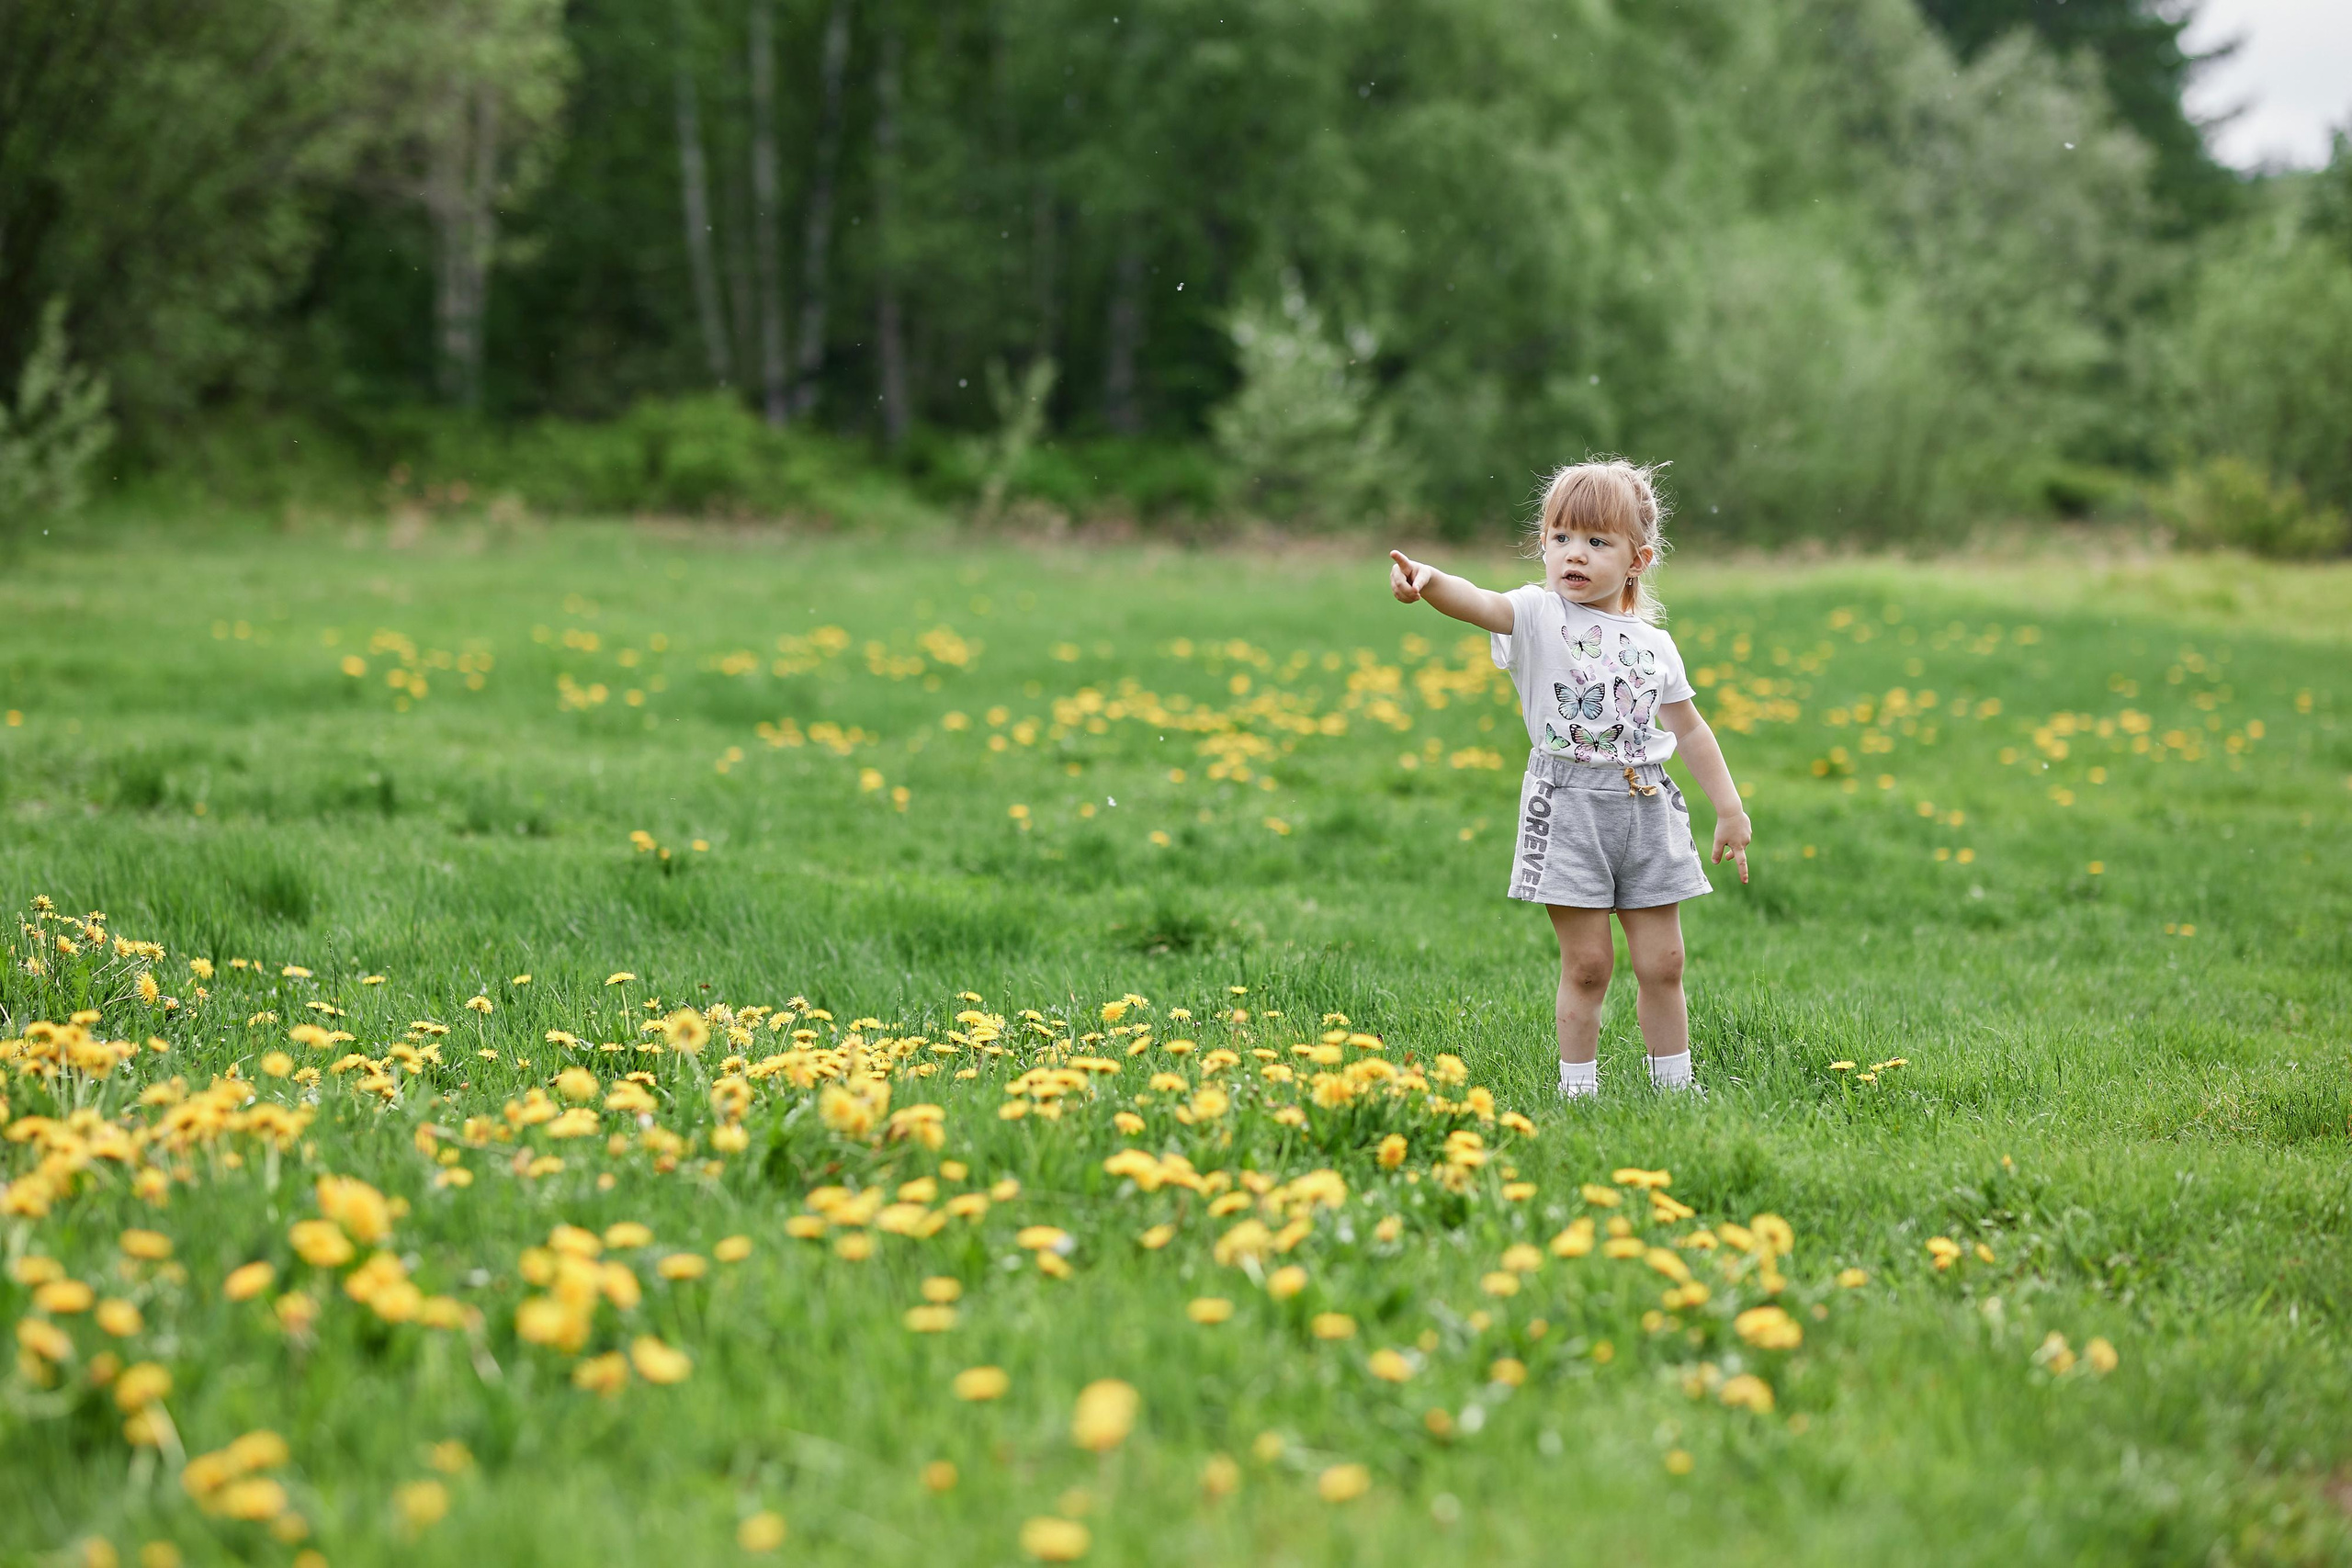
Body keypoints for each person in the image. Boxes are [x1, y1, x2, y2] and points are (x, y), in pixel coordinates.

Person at [1387, 459, 1750, 1098]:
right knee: (1588, 965)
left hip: (1648, 806)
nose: (1572, 554)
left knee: (1664, 962)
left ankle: (1675, 1087)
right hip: (1568, 805)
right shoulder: (1535, 614)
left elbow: (1690, 729)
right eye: (1559, 537)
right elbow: (1478, 602)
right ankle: (1576, 1091)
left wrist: (1729, 807)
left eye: (1595, 541)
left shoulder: (1656, 644)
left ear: (1636, 558)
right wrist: (1429, 580)